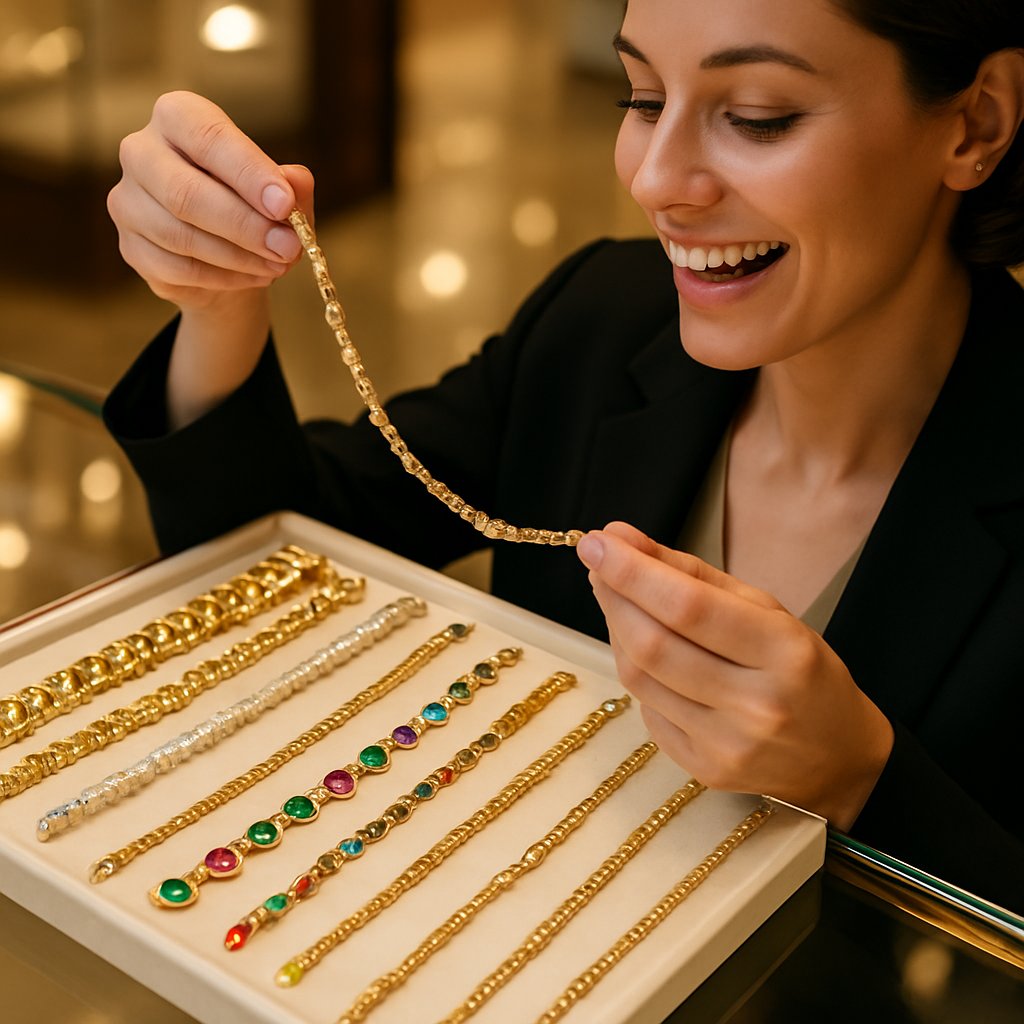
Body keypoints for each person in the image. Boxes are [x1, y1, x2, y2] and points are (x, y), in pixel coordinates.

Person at [104, 0, 1024, 912]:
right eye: (644, 98)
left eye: (757, 118)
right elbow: (265, 559)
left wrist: (861, 779)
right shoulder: (599, 324)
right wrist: (216, 296)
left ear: (974, 124)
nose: (658, 180)